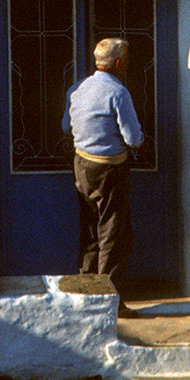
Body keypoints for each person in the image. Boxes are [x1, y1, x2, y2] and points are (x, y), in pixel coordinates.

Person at [61, 37, 143, 307]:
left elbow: (66, 127)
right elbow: (132, 138)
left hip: (81, 165)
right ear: (119, 63)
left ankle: (86, 292)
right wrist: (142, 140)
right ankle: (109, 302)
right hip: (110, 170)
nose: (127, 65)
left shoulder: (77, 89)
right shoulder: (118, 92)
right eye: (126, 61)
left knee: (90, 229)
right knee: (113, 233)